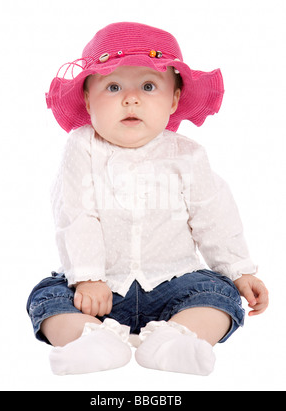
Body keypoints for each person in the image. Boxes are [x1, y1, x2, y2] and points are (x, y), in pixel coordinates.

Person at [27, 22, 269, 376]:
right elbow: (75, 213)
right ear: (87, 98)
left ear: (173, 99)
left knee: (219, 295)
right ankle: (90, 341)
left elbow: (213, 216)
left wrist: (237, 270)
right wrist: (88, 276)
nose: (131, 98)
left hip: (174, 282)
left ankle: (179, 340)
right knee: (46, 297)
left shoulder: (188, 155)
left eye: (148, 86)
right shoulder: (82, 148)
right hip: (98, 292)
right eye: (113, 87)